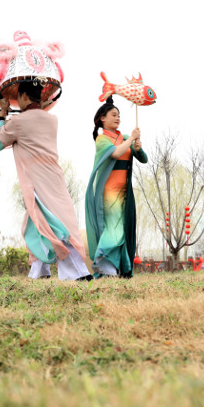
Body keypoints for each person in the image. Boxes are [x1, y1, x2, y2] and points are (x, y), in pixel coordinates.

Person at [0, 80, 93, 280]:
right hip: (54, 175)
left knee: (55, 221)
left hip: (37, 180)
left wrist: (3, 113)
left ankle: (77, 271)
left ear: (24, 96)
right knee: (37, 222)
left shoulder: (18, 122)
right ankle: (39, 270)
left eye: (18, 97)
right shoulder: (52, 119)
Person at [85, 97, 147, 278]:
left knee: (124, 228)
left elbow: (143, 159)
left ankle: (117, 268)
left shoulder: (125, 138)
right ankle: (102, 261)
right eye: (113, 115)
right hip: (110, 191)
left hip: (125, 191)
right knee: (115, 227)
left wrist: (138, 147)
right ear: (102, 118)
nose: (117, 118)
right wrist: (131, 139)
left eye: (119, 115)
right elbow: (116, 153)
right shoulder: (102, 139)